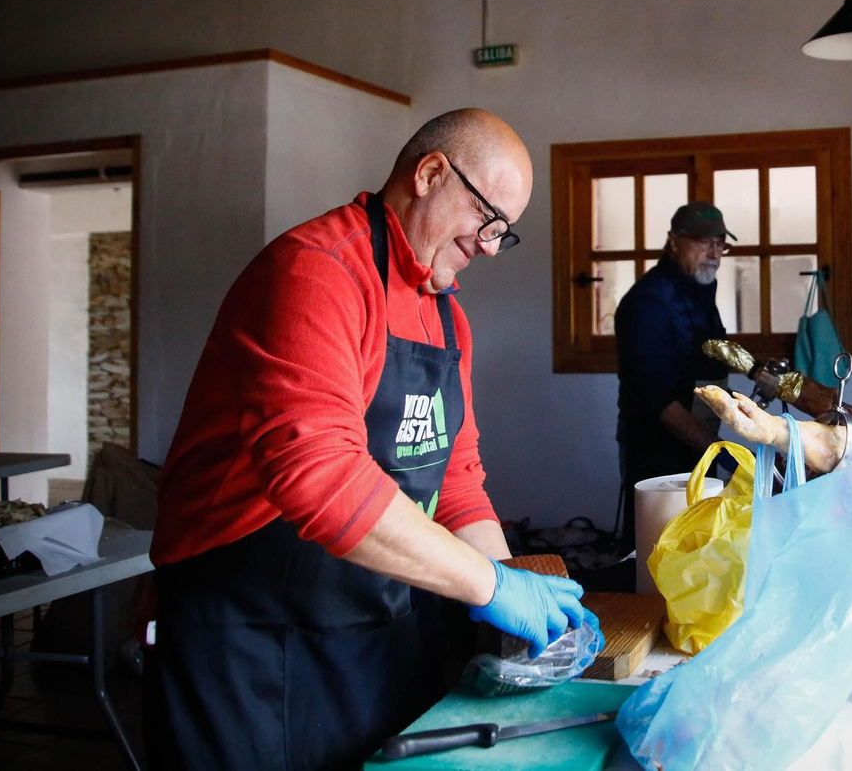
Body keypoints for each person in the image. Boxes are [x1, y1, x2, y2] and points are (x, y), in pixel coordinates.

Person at [146, 109, 594, 771]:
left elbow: (457, 478)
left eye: (506, 233)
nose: (493, 246)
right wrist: (486, 587)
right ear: (432, 173)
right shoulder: (315, 273)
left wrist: (510, 579)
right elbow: (318, 478)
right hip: (247, 639)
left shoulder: (449, 318)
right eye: (488, 220)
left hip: (374, 625)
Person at [614, 201, 735, 554]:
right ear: (673, 241)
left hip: (697, 439)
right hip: (657, 446)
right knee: (656, 548)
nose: (713, 253)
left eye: (720, 243)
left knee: (697, 547)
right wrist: (717, 451)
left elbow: (708, 356)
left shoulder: (699, 290)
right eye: (702, 242)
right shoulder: (649, 302)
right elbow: (658, 398)